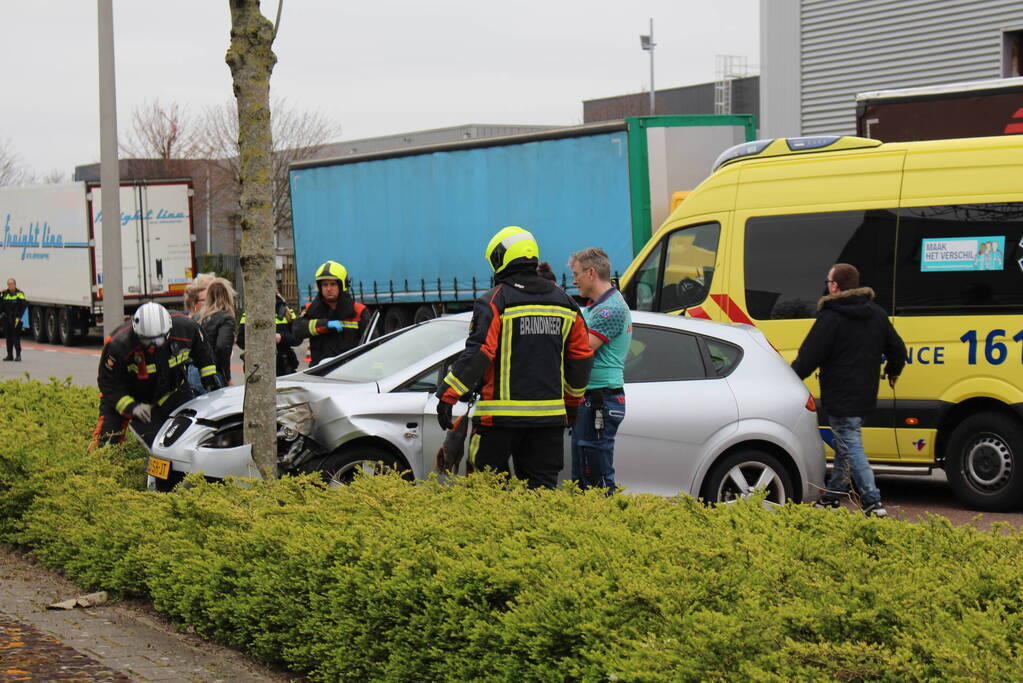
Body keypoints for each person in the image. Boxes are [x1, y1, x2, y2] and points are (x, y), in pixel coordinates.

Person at [435, 226, 593, 489]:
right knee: (541, 496)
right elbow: (580, 359)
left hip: (497, 422)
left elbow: (479, 353)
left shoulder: (496, 300)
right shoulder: (566, 303)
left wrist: (447, 394)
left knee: (487, 494)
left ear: (500, 258)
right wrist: (573, 403)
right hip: (548, 422)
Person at [791, 263, 907, 518]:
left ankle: (872, 500)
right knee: (846, 443)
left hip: (840, 395)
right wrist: (893, 371)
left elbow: (809, 356)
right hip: (865, 394)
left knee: (851, 444)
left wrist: (790, 379)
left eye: (828, 280)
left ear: (835, 286)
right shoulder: (876, 314)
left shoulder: (831, 317)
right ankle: (833, 497)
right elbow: (898, 349)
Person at [91, 302, 221, 449]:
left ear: (170, 328)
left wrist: (209, 381)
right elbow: (108, 384)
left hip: (173, 391)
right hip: (130, 395)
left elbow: (204, 355)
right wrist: (132, 407)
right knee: (106, 442)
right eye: (148, 341)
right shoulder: (118, 344)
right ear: (137, 332)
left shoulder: (187, 329)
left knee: (183, 440)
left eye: (159, 339)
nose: (154, 345)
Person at [568, 247, 632, 493]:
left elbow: (581, 350)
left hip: (600, 400)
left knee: (596, 478)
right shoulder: (599, 306)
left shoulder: (610, 309)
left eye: (576, 274)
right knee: (585, 477)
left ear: (591, 273)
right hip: (595, 399)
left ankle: (609, 524)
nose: (574, 281)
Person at [293, 260, 370, 366]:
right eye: (325, 285)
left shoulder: (358, 311)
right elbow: (297, 329)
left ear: (342, 285)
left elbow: (372, 343)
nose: (328, 289)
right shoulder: (311, 309)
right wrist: (324, 324)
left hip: (350, 370)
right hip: (320, 371)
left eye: (333, 284)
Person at [237, 291, 300, 376]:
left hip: (284, 369)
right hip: (259, 370)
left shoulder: (287, 311)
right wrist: (260, 339)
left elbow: (297, 339)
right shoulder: (250, 313)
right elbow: (241, 342)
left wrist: (281, 337)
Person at [198, 278, 237, 384]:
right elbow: (223, 347)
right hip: (214, 374)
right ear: (228, 296)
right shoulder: (226, 319)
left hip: (197, 373)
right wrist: (227, 377)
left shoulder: (199, 318)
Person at [1, 279, 26, 361]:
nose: (10, 285)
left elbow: (23, 306)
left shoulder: (20, 294)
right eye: (8, 284)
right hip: (6, 318)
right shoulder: (4, 294)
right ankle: (9, 355)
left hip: (16, 319)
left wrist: (19, 317)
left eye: (11, 284)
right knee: (8, 337)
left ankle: (18, 355)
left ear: (15, 284)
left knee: (15, 337)